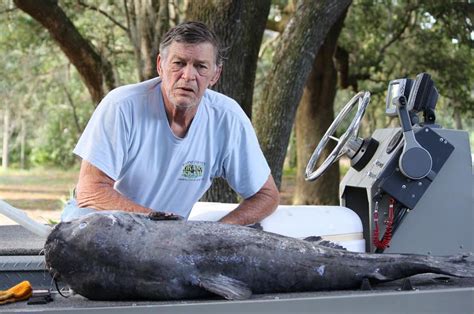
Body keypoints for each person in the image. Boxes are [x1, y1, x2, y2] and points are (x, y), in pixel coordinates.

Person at [61, 21, 279, 225]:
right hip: (103, 222)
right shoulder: (121, 106)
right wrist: (156, 222)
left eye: (201, 66)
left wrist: (215, 233)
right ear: (160, 65)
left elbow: (266, 195)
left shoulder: (228, 117)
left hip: (168, 234)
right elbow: (90, 191)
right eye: (179, 63)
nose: (188, 76)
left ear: (215, 74)